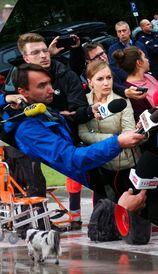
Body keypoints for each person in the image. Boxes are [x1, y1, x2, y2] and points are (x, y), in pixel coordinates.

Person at [2, 63, 145, 193]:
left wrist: (87, 112)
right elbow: (72, 158)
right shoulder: (28, 130)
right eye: (42, 85)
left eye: (50, 83)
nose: (51, 90)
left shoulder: (43, 110)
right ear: (23, 92)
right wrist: (117, 142)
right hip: (66, 189)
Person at [17, 32, 97, 227]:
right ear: (26, 58)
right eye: (36, 52)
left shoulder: (66, 74)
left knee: (79, 170)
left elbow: (77, 109)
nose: (43, 55)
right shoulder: (17, 78)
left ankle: (89, 218)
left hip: (70, 135)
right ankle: (35, 220)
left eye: (44, 50)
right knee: (29, 172)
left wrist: (58, 116)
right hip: (35, 139)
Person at [78, 60, 140, 201]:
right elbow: (82, 134)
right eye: (100, 79)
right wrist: (114, 138)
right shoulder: (84, 103)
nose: (106, 83)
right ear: (90, 82)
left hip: (127, 163)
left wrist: (98, 137)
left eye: (109, 78)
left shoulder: (122, 100)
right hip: (101, 164)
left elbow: (128, 133)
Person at [112, 46, 158, 122]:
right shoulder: (132, 91)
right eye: (144, 57)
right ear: (139, 63)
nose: (147, 60)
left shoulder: (149, 76)